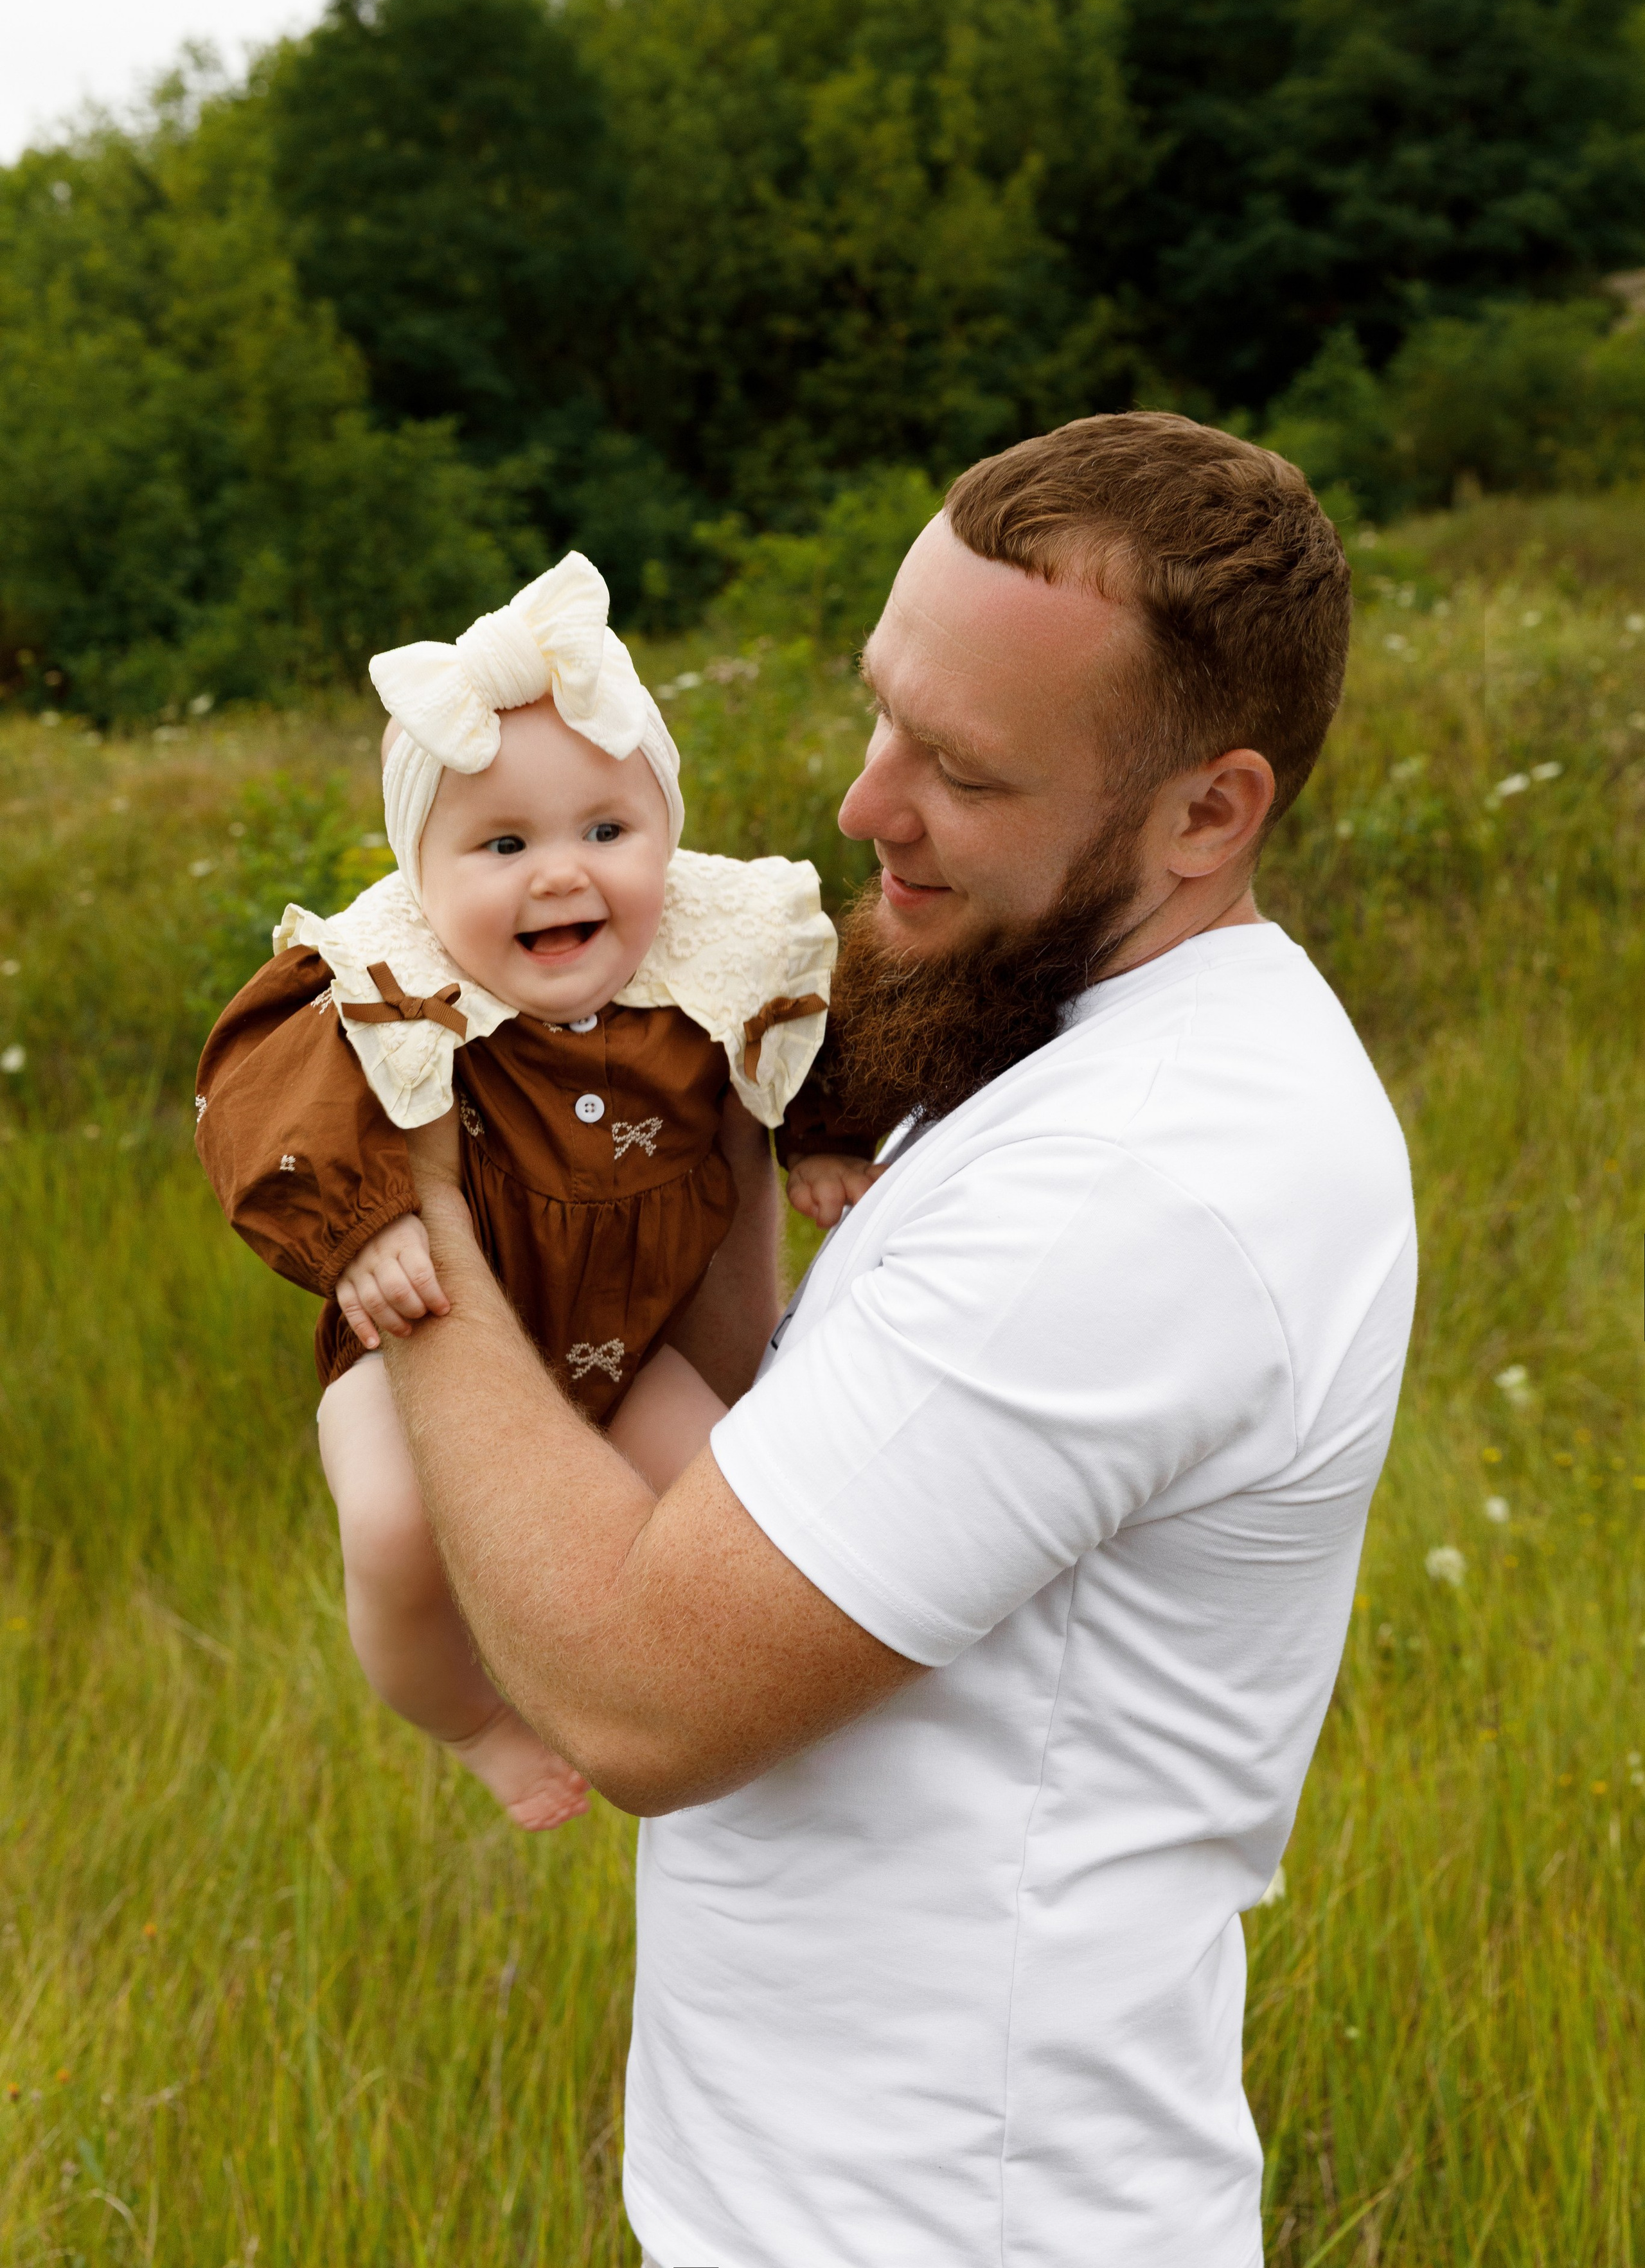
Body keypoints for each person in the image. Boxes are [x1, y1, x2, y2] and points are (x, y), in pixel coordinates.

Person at [377, 414, 1418, 2268]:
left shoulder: (1145, 1184)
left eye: (964, 769)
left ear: (1209, 810)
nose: (868, 804)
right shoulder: (1051, 1024)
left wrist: (406, 1193)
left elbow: (637, 1692)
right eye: (883, 713)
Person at [194, 552, 876, 1832]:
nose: (560, 874)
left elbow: (799, 1025)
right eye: (501, 844)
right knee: (395, 1534)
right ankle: (470, 1722)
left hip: (634, 1332)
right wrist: (364, 1232)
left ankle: (752, 1731)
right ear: (420, 873)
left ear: (665, 838)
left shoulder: (711, 950)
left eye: (604, 832)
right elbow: (259, 1103)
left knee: (730, 1512)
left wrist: (821, 1133)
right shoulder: (385, 979)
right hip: (414, 1338)